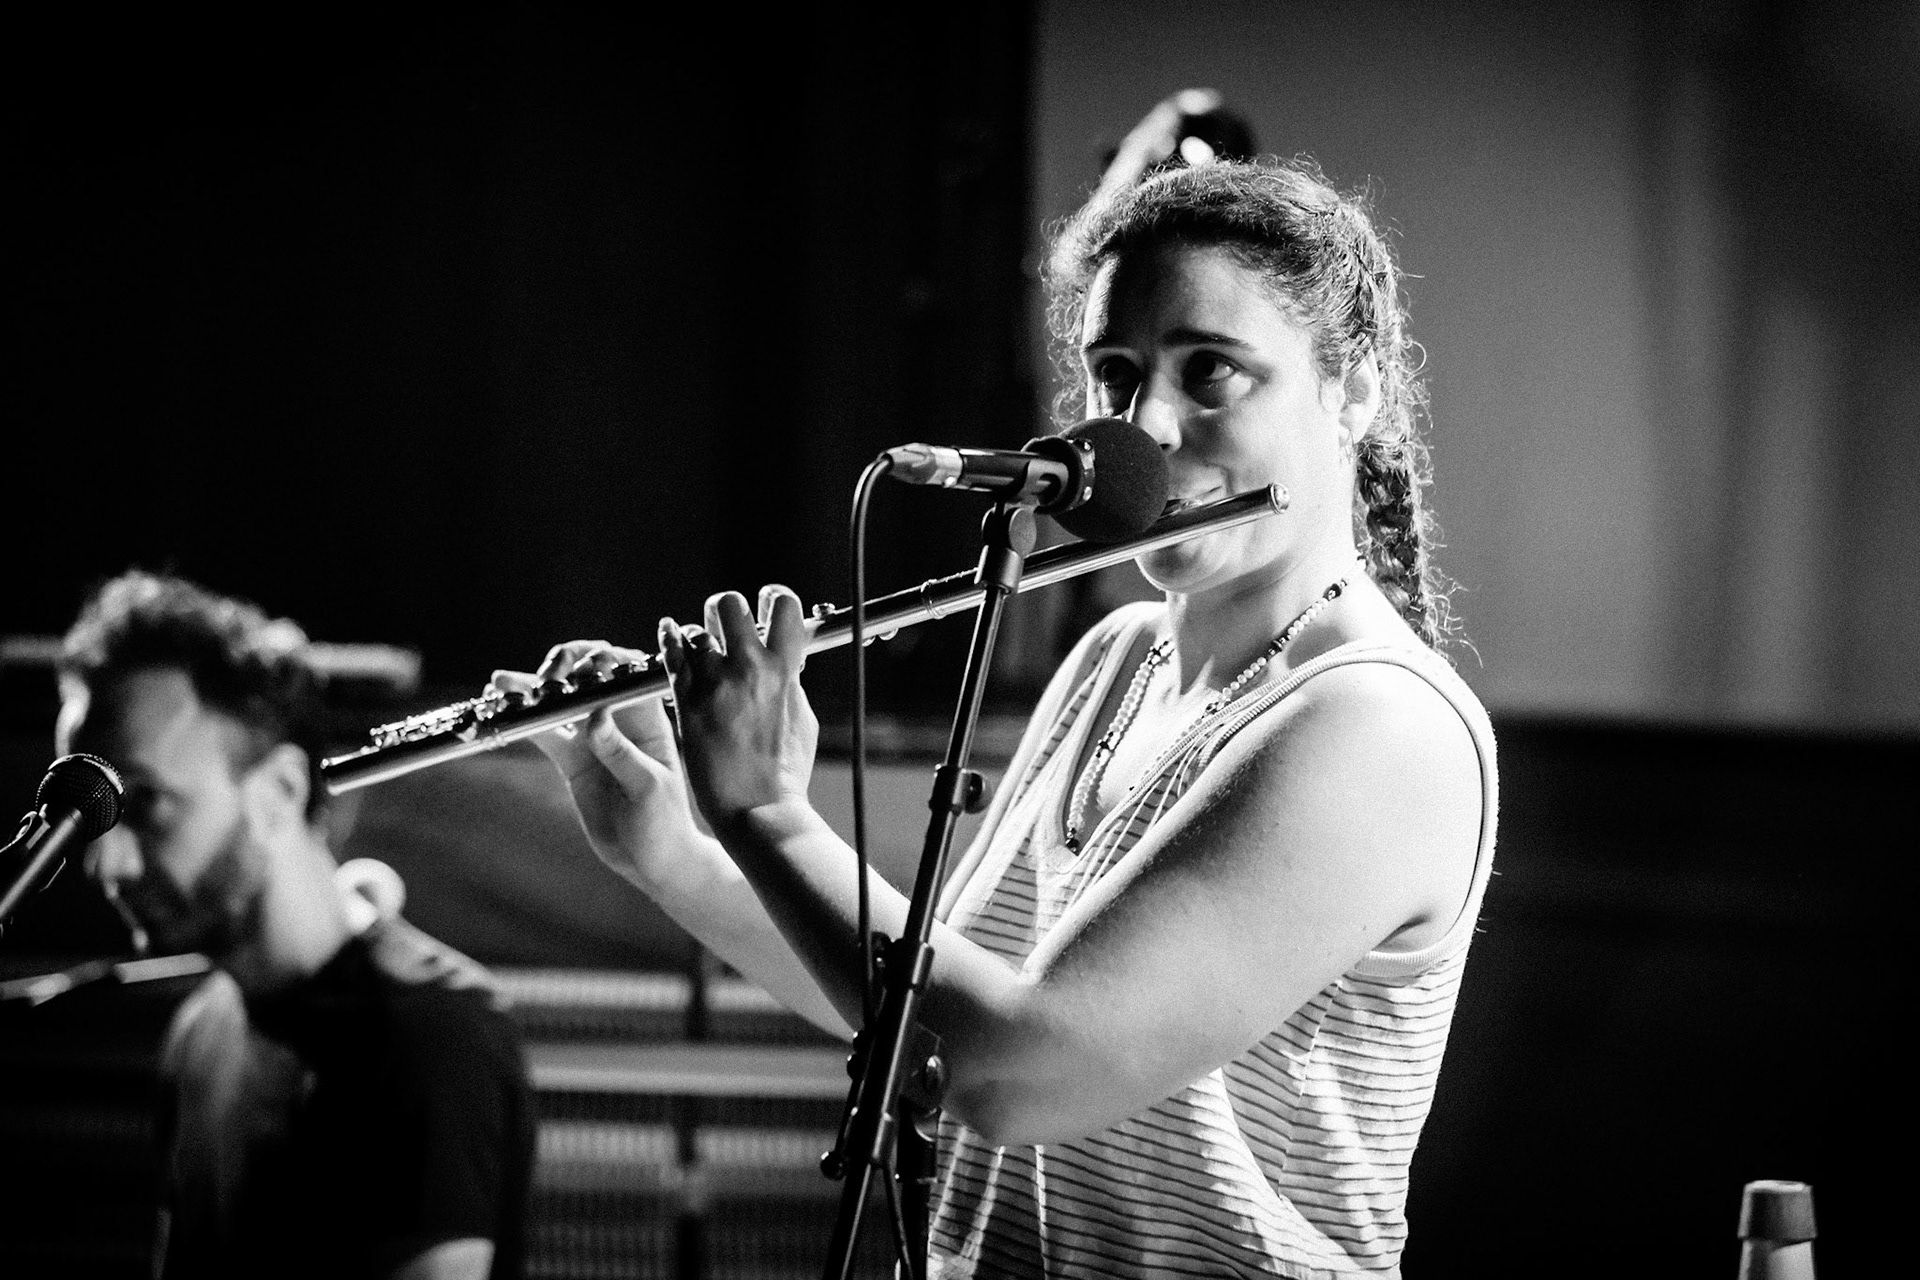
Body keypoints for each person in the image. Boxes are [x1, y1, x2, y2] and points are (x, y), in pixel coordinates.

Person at [501, 150, 1497, 1278]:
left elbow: (1021, 1073)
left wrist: (767, 814)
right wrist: (675, 852)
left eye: (1211, 370)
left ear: (1352, 389)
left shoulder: (1379, 723)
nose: (1143, 430)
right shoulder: (1119, 658)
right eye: (1115, 374)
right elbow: (934, 1024)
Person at [55, 571, 535, 1280]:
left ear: (281, 789)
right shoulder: (200, 1033)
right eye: (91, 816)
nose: (108, 862)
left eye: (146, 802)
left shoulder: (434, 1038)